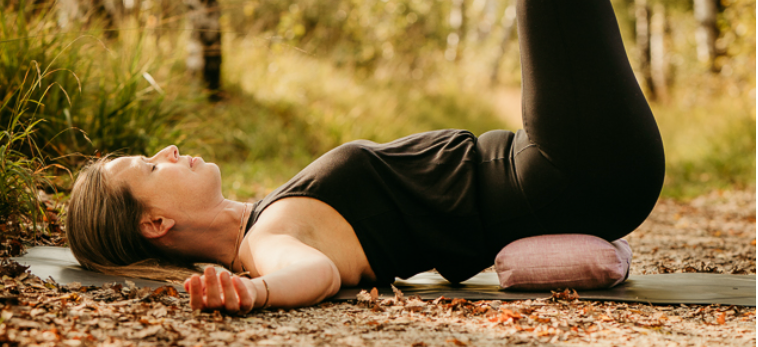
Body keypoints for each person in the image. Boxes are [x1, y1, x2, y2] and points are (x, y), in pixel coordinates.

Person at [66, 0, 664, 314]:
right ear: (155, 223)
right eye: (149, 166)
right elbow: (314, 275)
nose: (166, 152)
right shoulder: (266, 242)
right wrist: (255, 293)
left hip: (565, 168)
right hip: (567, 170)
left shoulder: (267, 215)